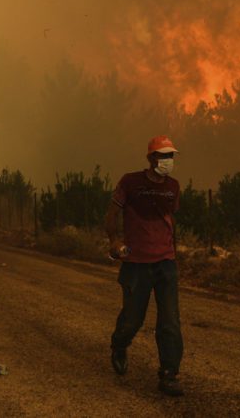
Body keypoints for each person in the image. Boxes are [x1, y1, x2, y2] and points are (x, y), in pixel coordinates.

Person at [105, 135, 184, 397]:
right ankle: (119, 344)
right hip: (137, 264)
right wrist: (114, 240)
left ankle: (169, 374)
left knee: (170, 321)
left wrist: (174, 252)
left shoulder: (173, 186)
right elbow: (112, 214)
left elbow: (170, 220)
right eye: (162, 156)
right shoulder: (130, 182)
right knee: (132, 319)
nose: (167, 161)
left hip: (165, 263)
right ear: (150, 158)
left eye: (170, 156)